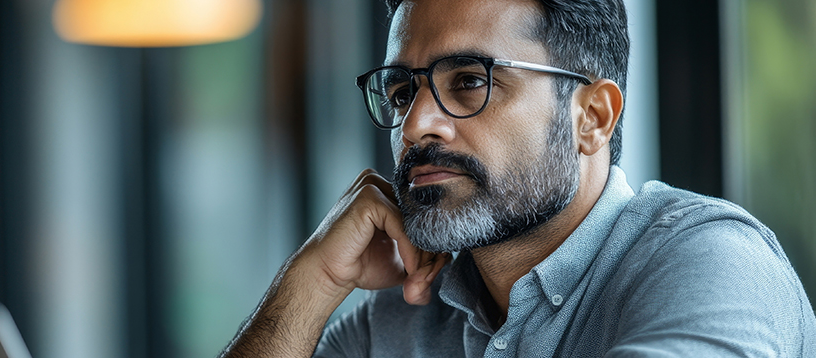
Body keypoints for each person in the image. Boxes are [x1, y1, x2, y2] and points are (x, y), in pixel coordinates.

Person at [220, 0, 816, 356]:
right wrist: (313, 279)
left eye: (470, 81)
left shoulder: (712, 263)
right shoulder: (396, 323)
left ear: (592, 118)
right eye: (403, 92)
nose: (415, 125)